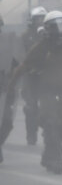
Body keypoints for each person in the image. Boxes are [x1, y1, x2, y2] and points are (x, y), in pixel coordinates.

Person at [10, 11, 62, 173]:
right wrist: (10, 87)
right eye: (58, 25)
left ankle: (49, 154)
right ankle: (57, 158)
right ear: (49, 28)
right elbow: (24, 67)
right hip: (46, 92)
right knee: (50, 123)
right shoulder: (41, 47)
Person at [21, 6, 47, 145]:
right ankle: (31, 135)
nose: (41, 21)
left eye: (43, 18)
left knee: (49, 106)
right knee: (31, 107)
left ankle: (47, 130)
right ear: (32, 20)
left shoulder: (50, 35)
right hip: (30, 77)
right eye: (38, 19)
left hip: (46, 76)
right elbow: (21, 55)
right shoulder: (25, 36)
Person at [0, 15, 24, 157]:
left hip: (5, 89)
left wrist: (12, 80)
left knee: (7, 121)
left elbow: (17, 63)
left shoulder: (8, 43)